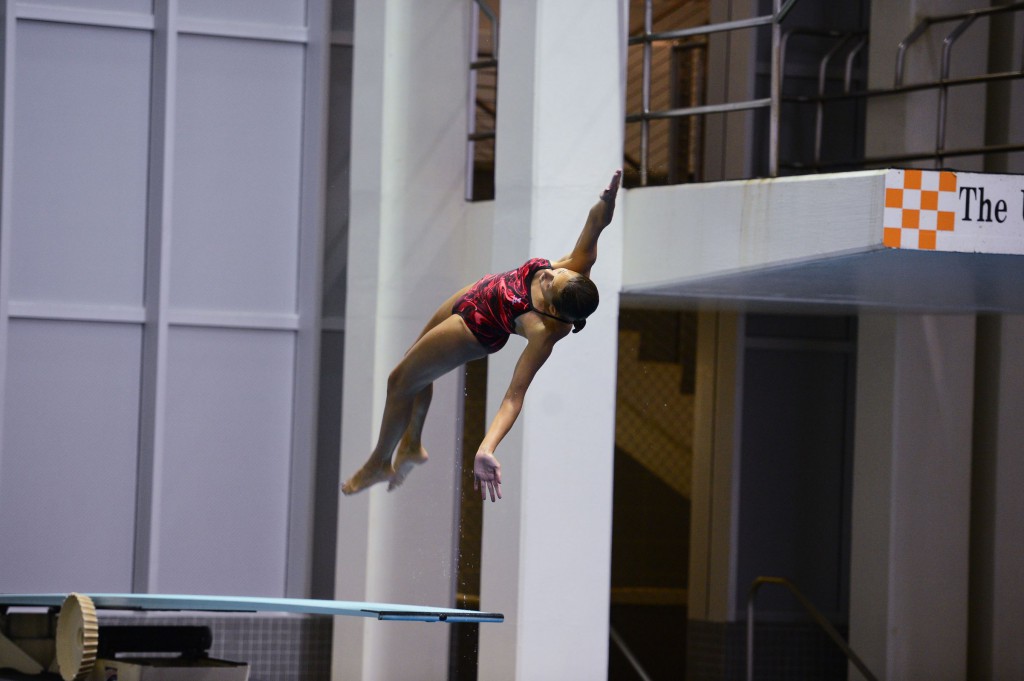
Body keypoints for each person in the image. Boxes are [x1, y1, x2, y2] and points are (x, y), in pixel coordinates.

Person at [341, 169, 621, 502]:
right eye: (556, 273)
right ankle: (412, 445)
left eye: (550, 284)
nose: (547, 274)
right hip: (476, 292)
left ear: (556, 310)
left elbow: (513, 397)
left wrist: (486, 447)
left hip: (474, 329)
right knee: (414, 367)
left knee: (399, 381)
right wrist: (608, 199)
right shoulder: (577, 268)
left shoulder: (544, 332)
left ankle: (380, 462)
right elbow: (597, 222)